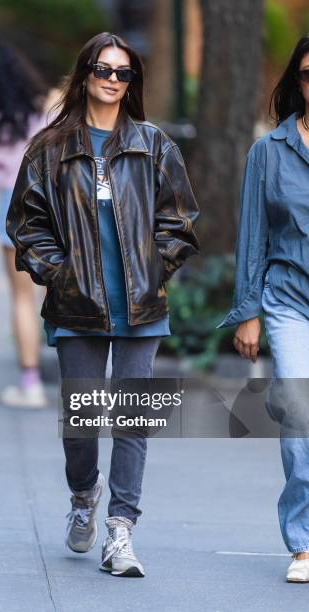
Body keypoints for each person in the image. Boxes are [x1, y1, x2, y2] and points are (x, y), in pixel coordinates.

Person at [6, 32, 199, 577]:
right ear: (85, 73)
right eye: (103, 69)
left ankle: (121, 530)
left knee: (132, 420)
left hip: (142, 309)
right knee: (82, 425)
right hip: (76, 308)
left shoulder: (155, 145)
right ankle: (82, 494)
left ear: (132, 82)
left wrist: (153, 268)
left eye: (123, 73)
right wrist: (60, 273)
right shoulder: (50, 148)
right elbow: (26, 223)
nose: (112, 80)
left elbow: (180, 220)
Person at [217, 35, 309, 583]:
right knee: (298, 406)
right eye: (306, 72)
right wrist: (247, 311)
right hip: (288, 297)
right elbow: (252, 234)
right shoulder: (269, 151)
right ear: (296, 80)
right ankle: (304, 543)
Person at [0, 42, 51, 409]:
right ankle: (82, 379)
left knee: (21, 298)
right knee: (58, 294)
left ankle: (30, 384)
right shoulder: (44, 110)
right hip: (54, 208)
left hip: (13, 207)